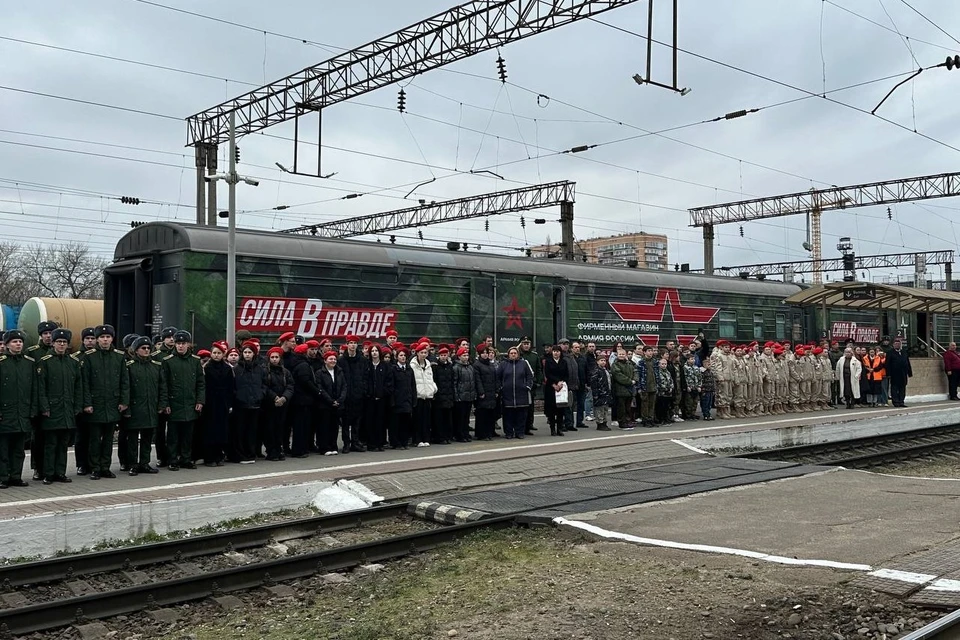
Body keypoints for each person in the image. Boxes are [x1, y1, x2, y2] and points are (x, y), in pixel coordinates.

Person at [82, 325, 129, 480]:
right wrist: (87, 403)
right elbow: (85, 383)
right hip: (95, 404)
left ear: (112, 338)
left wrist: (124, 401)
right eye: (102, 337)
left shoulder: (119, 356)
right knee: (95, 439)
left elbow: (124, 381)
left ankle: (105, 467)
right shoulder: (89, 357)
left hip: (113, 404)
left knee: (108, 439)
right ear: (97, 339)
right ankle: (95, 468)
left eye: (108, 337)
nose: (105, 340)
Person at [35, 328, 81, 484]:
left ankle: (60, 472)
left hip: (68, 409)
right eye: (58, 342)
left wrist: (77, 407)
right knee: (50, 444)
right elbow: (41, 388)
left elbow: (78, 387)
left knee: (63, 444)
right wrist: (44, 407)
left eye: (64, 342)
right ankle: (48, 473)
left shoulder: (73, 363)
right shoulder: (45, 361)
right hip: (52, 410)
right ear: (53, 343)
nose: (61, 345)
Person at [160, 331, 205, 470]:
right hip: (174, 403)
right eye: (178, 344)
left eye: (183, 344)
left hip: (190, 403)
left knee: (188, 435)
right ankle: (172, 460)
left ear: (188, 344)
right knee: (173, 436)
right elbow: (164, 384)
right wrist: (165, 403)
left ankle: (186, 459)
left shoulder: (195, 361)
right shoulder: (168, 361)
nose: (180, 346)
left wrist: (200, 401)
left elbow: (200, 383)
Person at [0, 330, 36, 488]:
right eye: (14, 342)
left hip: (23, 413)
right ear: (7, 344)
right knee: (3, 449)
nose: (18, 344)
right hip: (5, 413)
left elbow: (34, 388)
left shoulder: (29, 363)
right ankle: (2, 477)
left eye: (20, 341)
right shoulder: (1, 362)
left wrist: (33, 409)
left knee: (19, 449)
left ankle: (16, 476)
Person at [124, 336, 163, 476]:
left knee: (147, 438)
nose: (146, 350)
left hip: (150, 407)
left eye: (148, 348)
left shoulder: (156, 366)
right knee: (133, 439)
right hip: (135, 408)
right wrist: (126, 408)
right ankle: (133, 464)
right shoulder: (129, 366)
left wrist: (161, 404)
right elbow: (126, 388)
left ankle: (144, 463)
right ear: (136, 350)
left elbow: (162, 387)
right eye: (143, 348)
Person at [28, 320, 57, 481]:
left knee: (51, 440)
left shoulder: (60, 351)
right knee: (37, 439)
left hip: (54, 404)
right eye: (45, 334)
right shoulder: (33, 352)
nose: (48, 336)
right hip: (37, 403)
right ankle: (37, 468)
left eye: (50, 333)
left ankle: (50, 468)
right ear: (41, 336)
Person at [233, 342, 266, 464]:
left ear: (254, 354)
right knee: (240, 430)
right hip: (241, 404)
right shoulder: (236, 369)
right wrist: (237, 396)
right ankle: (241, 454)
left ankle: (251, 453)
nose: (247, 355)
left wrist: (261, 394)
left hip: (255, 404)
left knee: (252, 431)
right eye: (245, 352)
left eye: (249, 352)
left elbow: (264, 384)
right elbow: (233, 386)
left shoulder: (259, 369)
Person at [338, 336, 369, 453]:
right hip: (346, 396)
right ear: (347, 344)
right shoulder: (341, 360)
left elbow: (366, 376)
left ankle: (355, 442)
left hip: (358, 395)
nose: (353, 345)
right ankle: (346, 443)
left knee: (357, 421)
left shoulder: (362, 360)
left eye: (355, 343)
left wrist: (363, 390)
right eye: (350, 343)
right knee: (345, 422)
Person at [262, 347, 294, 461]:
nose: (274, 359)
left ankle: (279, 448)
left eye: (277, 357)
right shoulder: (265, 371)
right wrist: (274, 397)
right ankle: (271, 451)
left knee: (280, 428)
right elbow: (264, 386)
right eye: (272, 357)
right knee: (270, 428)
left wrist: (284, 398)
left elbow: (290, 386)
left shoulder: (285, 372)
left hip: (283, 405)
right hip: (269, 405)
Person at [72, 327, 97, 475]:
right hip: (81, 403)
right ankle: (81, 464)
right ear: (83, 340)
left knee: (94, 436)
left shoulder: (98, 356)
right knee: (81, 436)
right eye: (87, 338)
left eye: (93, 338)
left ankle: (93, 463)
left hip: (96, 403)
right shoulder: (76, 357)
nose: (90, 341)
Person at [497, 346, 533, 439]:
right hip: (507, 395)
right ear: (508, 355)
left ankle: (519, 432)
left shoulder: (524, 364)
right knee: (508, 416)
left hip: (521, 394)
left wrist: (527, 386)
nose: (513, 355)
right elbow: (498, 377)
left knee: (521, 415)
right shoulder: (503, 364)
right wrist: (501, 387)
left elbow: (529, 376)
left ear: (518, 354)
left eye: (515, 353)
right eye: (511, 353)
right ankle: (509, 432)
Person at [316, 350, 347, 456]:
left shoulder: (339, 371)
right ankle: (324, 447)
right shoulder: (320, 373)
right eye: (330, 359)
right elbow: (320, 388)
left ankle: (333, 446)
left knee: (334, 427)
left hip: (338, 404)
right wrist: (330, 401)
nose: (333, 361)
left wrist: (339, 400)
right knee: (324, 426)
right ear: (325, 361)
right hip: (325, 405)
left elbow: (344, 387)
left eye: (334, 359)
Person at [410, 342, 438, 447]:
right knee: (417, 419)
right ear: (417, 353)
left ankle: (426, 438)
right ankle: (417, 439)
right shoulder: (412, 365)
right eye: (421, 352)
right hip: (418, 396)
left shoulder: (428, 365)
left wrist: (433, 389)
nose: (423, 354)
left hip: (428, 395)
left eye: (425, 352)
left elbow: (430, 379)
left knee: (426, 419)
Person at [366, 345, 392, 452]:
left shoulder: (385, 366)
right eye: (372, 351)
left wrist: (382, 393)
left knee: (380, 421)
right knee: (370, 421)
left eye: (376, 351)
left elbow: (389, 382)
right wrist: (369, 393)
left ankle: (380, 443)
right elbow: (365, 381)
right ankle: (371, 444)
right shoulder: (367, 365)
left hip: (382, 399)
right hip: (370, 399)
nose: (374, 353)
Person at [389, 347, 416, 450]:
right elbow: (391, 386)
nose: (403, 357)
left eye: (404, 355)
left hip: (407, 400)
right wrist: (393, 400)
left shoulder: (409, 370)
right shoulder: (393, 369)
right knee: (396, 423)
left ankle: (404, 442)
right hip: (397, 401)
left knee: (405, 423)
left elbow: (412, 385)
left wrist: (413, 399)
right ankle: (396, 443)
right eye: (401, 355)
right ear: (397, 357)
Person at [452, 347, 479, 442]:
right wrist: (456, 396)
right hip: (460, 396)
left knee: (466, 417)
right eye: (464, 355)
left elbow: (473, 382)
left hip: (469, 396)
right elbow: (454, 383)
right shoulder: (456, 368)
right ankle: (459, 435)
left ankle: (465, 433)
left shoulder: (470, 367)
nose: (466, 357)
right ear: (459, 356)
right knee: (460, 417)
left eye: (467, 355)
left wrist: (474, 393)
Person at [473, 343, 498, 441]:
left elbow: (495, 378)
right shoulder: (477, 365)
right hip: (483, 393)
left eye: (486, 353)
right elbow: (477, 380)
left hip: (491, 392)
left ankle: (489, 432)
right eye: (483, 353)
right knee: (482, 414)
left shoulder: (491, 365)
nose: (485, 354)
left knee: (490, 413)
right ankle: (481, 433)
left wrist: (496, 390)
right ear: (479, 354)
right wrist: (481, 392)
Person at [431, 346, 455, 445]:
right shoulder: (436, 367)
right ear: (439, 356)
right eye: (442, 355)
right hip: (439, 397)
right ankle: (439, 437)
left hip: (448, 396)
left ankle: (447, 436)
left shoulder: (450, 366)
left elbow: (452, 381)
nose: (443, 357)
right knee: (439, 419)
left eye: (445, 355)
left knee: (447, 419)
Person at [543, 345, 568, 437]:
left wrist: (561, 383)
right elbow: (548, 374)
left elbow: (566, 374)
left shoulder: (564, 362)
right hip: (551, 388)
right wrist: (554, 384)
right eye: (554, 351)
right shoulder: (548, 362)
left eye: (558, 351)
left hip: (561, 388)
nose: (556, 353)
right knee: (552, 410)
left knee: (560, 410)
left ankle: (559, 429)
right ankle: (552, 429)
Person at [518, 337, 541, 435]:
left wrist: (538, 381)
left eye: (528, 343)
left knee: (530, 407)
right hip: (520, 384)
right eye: (524, 343)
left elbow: (538, 369)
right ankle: (521, 427)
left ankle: (529, 425)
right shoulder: (518, 355)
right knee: (521, 407)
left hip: (531, 384)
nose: (526, 345)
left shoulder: (534, 356)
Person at [610, 348, 637, 430]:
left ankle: (628, 421)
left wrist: (635, 380)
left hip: (630, 390)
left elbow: (635, 371)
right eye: (620, 354)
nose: (621, 356)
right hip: (620, 389)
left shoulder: (630, 364)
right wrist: (629, 381)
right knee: (621, 408)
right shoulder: (615, 365)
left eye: (623, 354)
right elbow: (618, 376)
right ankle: (622, 423)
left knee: (628, 407)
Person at [886, 337, 913, 407]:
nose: (897, 345)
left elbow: (907, 362)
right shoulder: (890, 352)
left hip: (903, 373)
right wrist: (888, 373)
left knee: (902, 388)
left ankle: (901, 401)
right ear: (893, 345)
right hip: (894, 374)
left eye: (898, 344)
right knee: (894, 388)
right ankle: (895, 401)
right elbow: (887, 363)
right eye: (896, 344)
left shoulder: (904, 352)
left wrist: (909, 372)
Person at [590, 355, 613, 431]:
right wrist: (595, 394)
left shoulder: (606, 370)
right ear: (597, 362)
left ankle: (604, 422)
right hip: (599, 393)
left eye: (604, 361)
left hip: (606, 392)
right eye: (601, 360)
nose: (603, 362)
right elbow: (593, 383)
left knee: (605, 408)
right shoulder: (596, 371)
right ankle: (600, 423)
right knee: (599, 409)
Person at [654, 358, 675, 424]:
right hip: (661, 392)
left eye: (665, 364)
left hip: (668, 392)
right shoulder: (657, 372)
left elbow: (671, 380)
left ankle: (666, 418)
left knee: (667, 406)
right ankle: (660, 419)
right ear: (659, 364)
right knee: (660, 406)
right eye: (662, 364)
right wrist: (664, 389)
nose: (664, 365)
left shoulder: (667, 372)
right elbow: (658, 382)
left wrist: (671, 387)